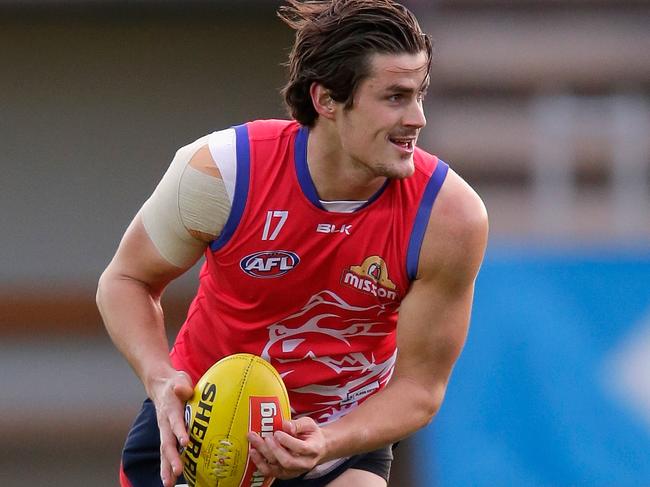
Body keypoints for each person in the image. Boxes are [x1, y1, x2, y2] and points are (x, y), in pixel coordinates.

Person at [96, 1, 488, 486]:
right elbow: (126, 280)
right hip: (205, 429)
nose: (418, 118)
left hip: (339, 439)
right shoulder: (222, 172)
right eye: (395, 97)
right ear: (326, 100)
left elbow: (421, 389)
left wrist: (329, 440)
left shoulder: (449, 217)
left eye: (420, 95)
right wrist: (158, 377)